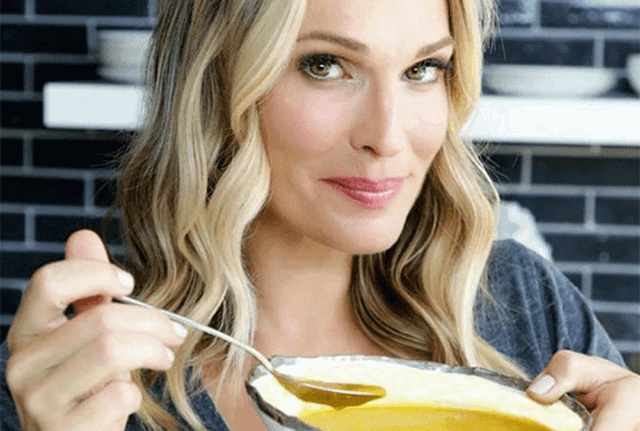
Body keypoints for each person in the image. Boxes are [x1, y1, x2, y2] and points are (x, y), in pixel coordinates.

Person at [2, 0, 639, 429]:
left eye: (423, 69)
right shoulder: (85, 380)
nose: (387, 137)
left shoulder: (523, 305)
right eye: (325, 65)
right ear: (218, 85)